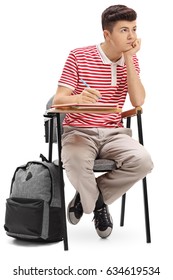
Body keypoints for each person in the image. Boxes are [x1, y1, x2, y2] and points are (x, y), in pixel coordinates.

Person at [52, 4, 153, 239]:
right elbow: (58, 100)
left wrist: (129, 59)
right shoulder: (79, 55)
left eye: (134, 29)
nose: (132, 37)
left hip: (114, 133)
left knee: (143, 161)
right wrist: (78, 98)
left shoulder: (132, 60)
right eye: (124, 30)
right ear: (107, 34)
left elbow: (138, 101)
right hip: (79, 131)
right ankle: (98, 206)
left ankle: (84, 198)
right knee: (76, 163)